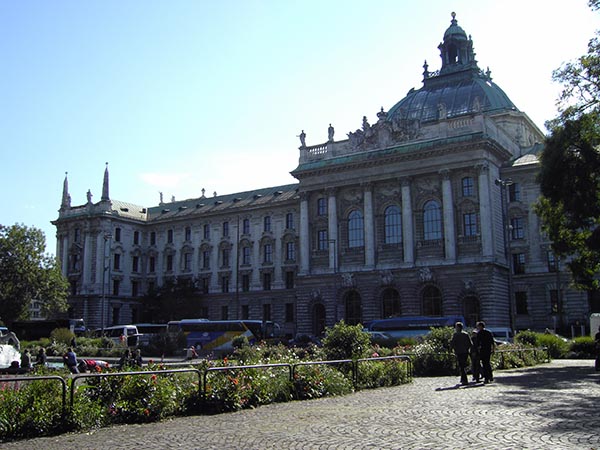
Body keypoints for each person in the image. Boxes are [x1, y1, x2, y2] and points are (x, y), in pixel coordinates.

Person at [450, 321, 472, 386]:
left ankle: (464, 380)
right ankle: (463, 378)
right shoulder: (466, 334)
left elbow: (452, 343)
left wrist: (451, 349)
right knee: (463, 365)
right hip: (465, 352)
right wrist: (467, 349)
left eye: (456, 327)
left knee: (461, 366)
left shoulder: (456, 335)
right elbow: (470, 343)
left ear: (458, 328)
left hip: (459, 352)